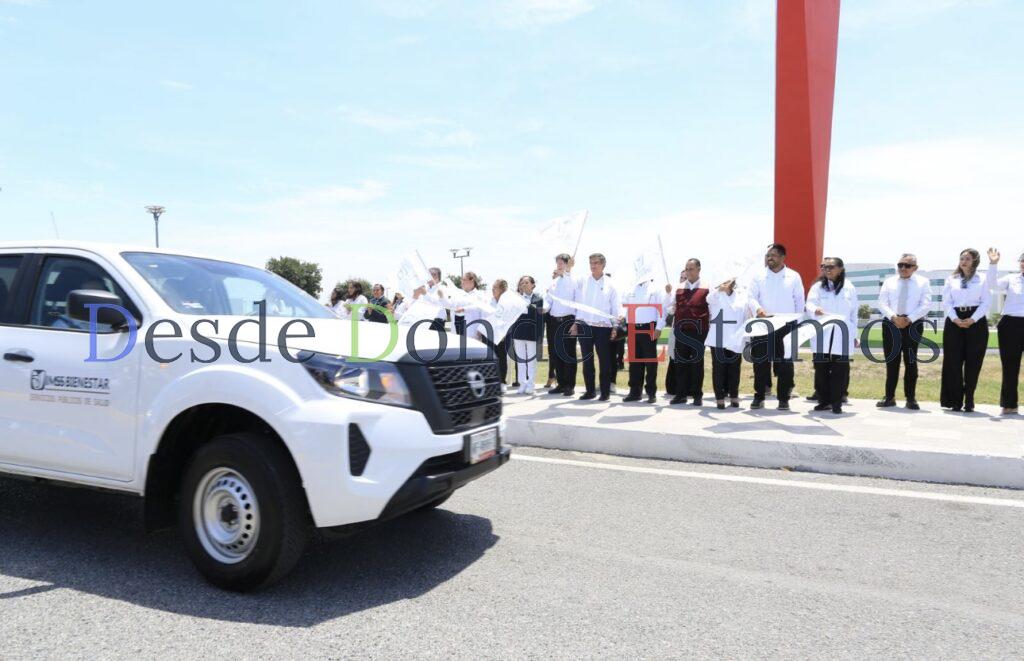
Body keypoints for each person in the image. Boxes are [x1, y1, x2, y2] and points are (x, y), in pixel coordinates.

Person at [748, 244, 805, 410]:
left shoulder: (794, 276)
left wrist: (797, 323)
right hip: (763, 324)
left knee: (785, 363)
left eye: (773, 255)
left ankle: (783, 399)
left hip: (786, 325)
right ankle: (759, 396)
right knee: (760, 363)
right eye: (768, 255)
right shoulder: (758, 276)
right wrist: (758, 309)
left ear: (782, 257)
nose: (769, 258)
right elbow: (751, 297)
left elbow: (799, 301)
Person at [876, 254, 932, 410]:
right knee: (891, 362)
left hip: (913, 324)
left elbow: (926, 305)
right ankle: (889, 397)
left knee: (911, 362)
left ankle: (911, 398)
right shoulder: (889, 281)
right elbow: (882, 303)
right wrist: (894, 317)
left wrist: (909, 319)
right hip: (891, 324)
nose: (903, 268)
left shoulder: (923, 282)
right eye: (900, 265)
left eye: (907, 265)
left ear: (915, 268)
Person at [940, 248, 991, 412]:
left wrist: (973, 319)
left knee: (973, 362)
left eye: (967, 258)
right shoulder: (951, 279)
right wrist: (955, 319)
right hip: (954, 320)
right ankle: (955, 400)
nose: (963, 261)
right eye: (962, 258)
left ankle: (969, 399)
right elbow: (947, 302)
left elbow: (986, 302)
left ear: (975, 261)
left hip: (976, 320)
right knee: (953, 362)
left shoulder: (982, 279)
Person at [806, 257, 858, 414]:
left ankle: (837, 403)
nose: (827, 270)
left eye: (831, 267)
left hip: (842, 333)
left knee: (839, 371)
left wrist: (854, 335)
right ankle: (824, 401)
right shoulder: (817, 287)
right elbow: (809, 303)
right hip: (822, 333)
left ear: (840, 269)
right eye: (825, 267)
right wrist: (815, 309)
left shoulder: (849, 287)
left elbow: (854, 313)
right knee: (821, 369)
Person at [570, 253, 620, 401]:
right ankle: (590, 391)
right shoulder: (582, 281)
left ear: (603, 265)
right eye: (591, 263)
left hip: (603, 327)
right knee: (587, 360)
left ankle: (605, 392)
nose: (593, 265)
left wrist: (615, 326)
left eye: (596, 263)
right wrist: (576, 323)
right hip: (585, 326)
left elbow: (615, 307)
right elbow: (578, 302)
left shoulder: (611, 284)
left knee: (604, 360)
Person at [707, 278, 756, 409]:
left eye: (731, 280)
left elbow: (745, 316)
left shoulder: (742, 295)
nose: (728, 283)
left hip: (736, 337)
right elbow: (709, 299)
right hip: (718, 337)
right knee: (719, 369)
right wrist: (719, 289)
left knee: (734, 369)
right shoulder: (716, 294)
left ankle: (734, 395)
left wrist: (746, 337)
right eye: (726, 280)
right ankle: (720, 397)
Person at [667, 259, 710, 406]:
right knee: (680, 363)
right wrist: (669, 297)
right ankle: (681, 394)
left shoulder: (707, 287)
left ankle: (697, 395)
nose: (688, 272)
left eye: (691, 269)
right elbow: (670, 307)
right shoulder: (678, 288)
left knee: (697, 363)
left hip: (699, 331)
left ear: (699, 269)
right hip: (681, 331)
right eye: (686, 269)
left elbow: (712, 309)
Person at [987, 248, 1023, 415]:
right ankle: (1009, 404)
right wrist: (993, 264)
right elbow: (992, 285)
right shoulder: (1011, 278)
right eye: (1022, 260)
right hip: (1011, 324)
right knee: (1010, 366)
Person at [621, 277, 666, 403]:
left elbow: (661, 309)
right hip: (632, 327)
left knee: (650, 362)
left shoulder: (656, 288)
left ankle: (651, 393)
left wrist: (659, 327)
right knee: (634, 362)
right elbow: (624, 306)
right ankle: (635, 392)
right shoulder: (631, 287)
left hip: (649, 327)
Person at [546, 253, 578, 396]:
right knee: (556, 353)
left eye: (561, 263)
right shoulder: (554, 282)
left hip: (568, 321)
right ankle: (561, 384)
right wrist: (540, 308)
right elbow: (548, 302)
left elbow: (577, 300)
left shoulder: (573, 280)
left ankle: (569, 386)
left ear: (568, 264)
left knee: (568, 354)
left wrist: (576, 323)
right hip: (554, 321)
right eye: (557, 263)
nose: (558, 265)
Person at [509, 276, 546, 394]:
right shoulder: (516, 299)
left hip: (532, 333)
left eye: (526, 282)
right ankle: (522, 384)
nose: (524, 284)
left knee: (531, 361)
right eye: (522, 283)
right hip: (518, 332)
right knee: (520, 360)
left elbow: (540, 318)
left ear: (533, 285)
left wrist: (540, 335)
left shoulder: (538, 299)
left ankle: (530, 385)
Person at [452, 271, 487, 337]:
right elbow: (450, 304)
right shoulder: (458, 295)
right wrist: (442, 297)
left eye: (464, 279)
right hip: (457, 330)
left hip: (472, 331)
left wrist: (481, 329)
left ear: (472, 280)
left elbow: (481, 310)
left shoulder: (480, 295)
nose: (461, 282)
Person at [425, 267, 449, 333]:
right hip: (424, 321)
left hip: (437, 322)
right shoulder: (426, 288)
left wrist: (425, 294)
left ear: (435, 276)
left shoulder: (443, 288)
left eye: (428, 275)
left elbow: (439, 303)